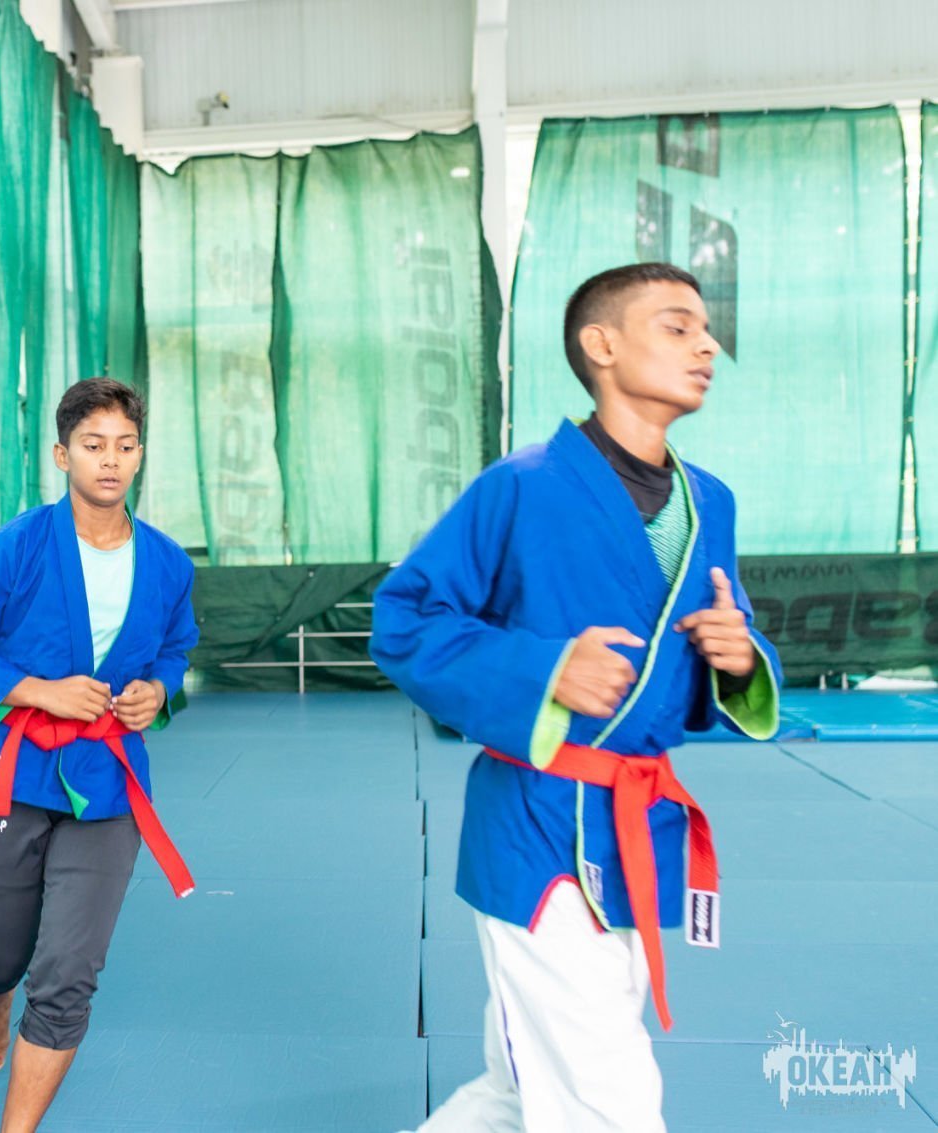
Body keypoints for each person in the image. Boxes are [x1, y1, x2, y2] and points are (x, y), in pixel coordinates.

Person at [372, 263, 783, 1131]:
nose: (708, 346)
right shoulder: (520, 485)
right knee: (607, 1099)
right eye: (677, 326)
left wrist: (740, 655)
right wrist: (543, 669)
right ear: (602, 345)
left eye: (707, 329)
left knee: (523, 1085)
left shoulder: (711, 502)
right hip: (538, 820)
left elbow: (722, 627)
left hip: (638, 825)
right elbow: (405, 618)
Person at [0, 376, 199, 1133]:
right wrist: (39, 691)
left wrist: (158, 689)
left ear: (139, 454)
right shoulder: (16, 547)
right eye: (93, 445)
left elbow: (176, 647)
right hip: (13, 777)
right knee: (2, 951)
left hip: (107, 784)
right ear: (62, 455)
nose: (110, 460)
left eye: (125, 445)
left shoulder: (168, 563)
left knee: (68, 973)